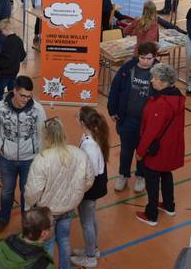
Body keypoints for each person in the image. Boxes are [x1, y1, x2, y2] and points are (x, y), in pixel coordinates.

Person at [24, 117, 94, 269]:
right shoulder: (78, 153)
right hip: (68, 208)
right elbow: (89, 179)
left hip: (46, 211)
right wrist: (75, 195)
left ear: (46, 136)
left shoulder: (42, 159)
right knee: (64, 240)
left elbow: (32, 191)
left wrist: (31, 204)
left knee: (47, 242)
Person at [0, 76, 46, 235]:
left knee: (27, 193)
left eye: (29, 96)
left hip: (30, 160)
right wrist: (1, 145)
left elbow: (42, 133)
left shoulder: (38, 110)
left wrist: (39, 156)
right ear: (14, 91)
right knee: (7, 191)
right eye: (22, 95)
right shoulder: (0, 108)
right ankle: (3, 219)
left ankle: (27, 223)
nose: (26, 99)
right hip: (7, 160)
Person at [135, 64, 185, 227]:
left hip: (158, 150)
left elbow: (151, 132)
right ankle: (169, 206)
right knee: (166, 174)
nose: (152, 81)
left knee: (152, 179)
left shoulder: (161, 103)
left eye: (155, 78)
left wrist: (141, 151)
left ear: (164, 82)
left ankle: (151, 215)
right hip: (171, 147)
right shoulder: (177, 97)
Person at [107, 41, 159, 193]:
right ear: (138, 56)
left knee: (143, 151)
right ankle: (123, 175)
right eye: (142, 58)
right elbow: (115, 89)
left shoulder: (159, 72)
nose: (145, 61)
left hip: (147, 123)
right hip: (127, 120)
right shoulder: (127, 68)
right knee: (126, 150)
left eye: (149, 59)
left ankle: (141, 176)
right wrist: (112, 110)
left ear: (154, 57)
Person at [70, 107, 110, 268]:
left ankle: (90, 257)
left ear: (82, 122)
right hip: (94, 184)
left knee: (87, 221)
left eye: (77, 116)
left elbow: (90, 173)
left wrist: (80, 191)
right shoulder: (90, 136)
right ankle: (92, 248)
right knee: (91, 218)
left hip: (91, 187)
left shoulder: (90, 146)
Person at [0, 19, 26, 104]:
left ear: (5, 29)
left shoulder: (7, 42)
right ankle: (12, 106)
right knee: (12, 92)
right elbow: (23, 55)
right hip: (14, 71)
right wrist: (16, 60)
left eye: (1, 31)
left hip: (4, 73)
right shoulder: (18, 40)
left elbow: (6, 59)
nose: (1, 33)